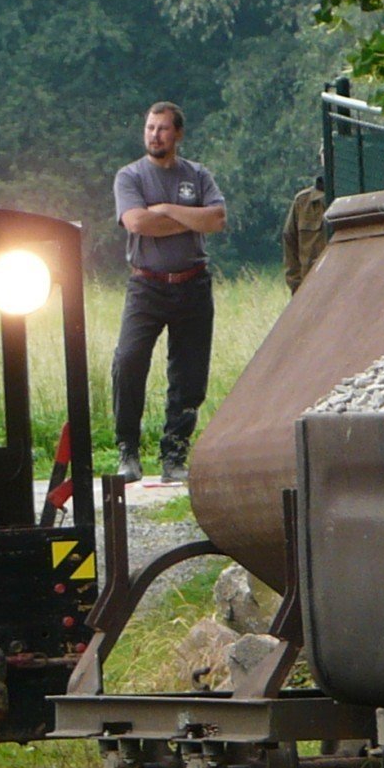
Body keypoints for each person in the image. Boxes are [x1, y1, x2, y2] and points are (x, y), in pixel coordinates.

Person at [111, 100, 226, 484]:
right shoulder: (129, 177)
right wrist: (186, 215)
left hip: (193, 282)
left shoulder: (198, 174)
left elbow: (216, 219)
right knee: (129, 359)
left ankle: (174, 452)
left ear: (177, 133)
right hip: (147, 284)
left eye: (162, 128)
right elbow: (138, 222)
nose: (154, 135)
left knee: (189, 374)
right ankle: (127, 448)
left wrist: (167, 209)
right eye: (149, 128)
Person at [282, 172, 329, 293]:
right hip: (311, 290)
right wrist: (297, 287)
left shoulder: (352, 198)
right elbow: (290, 242)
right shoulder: (302, 202)